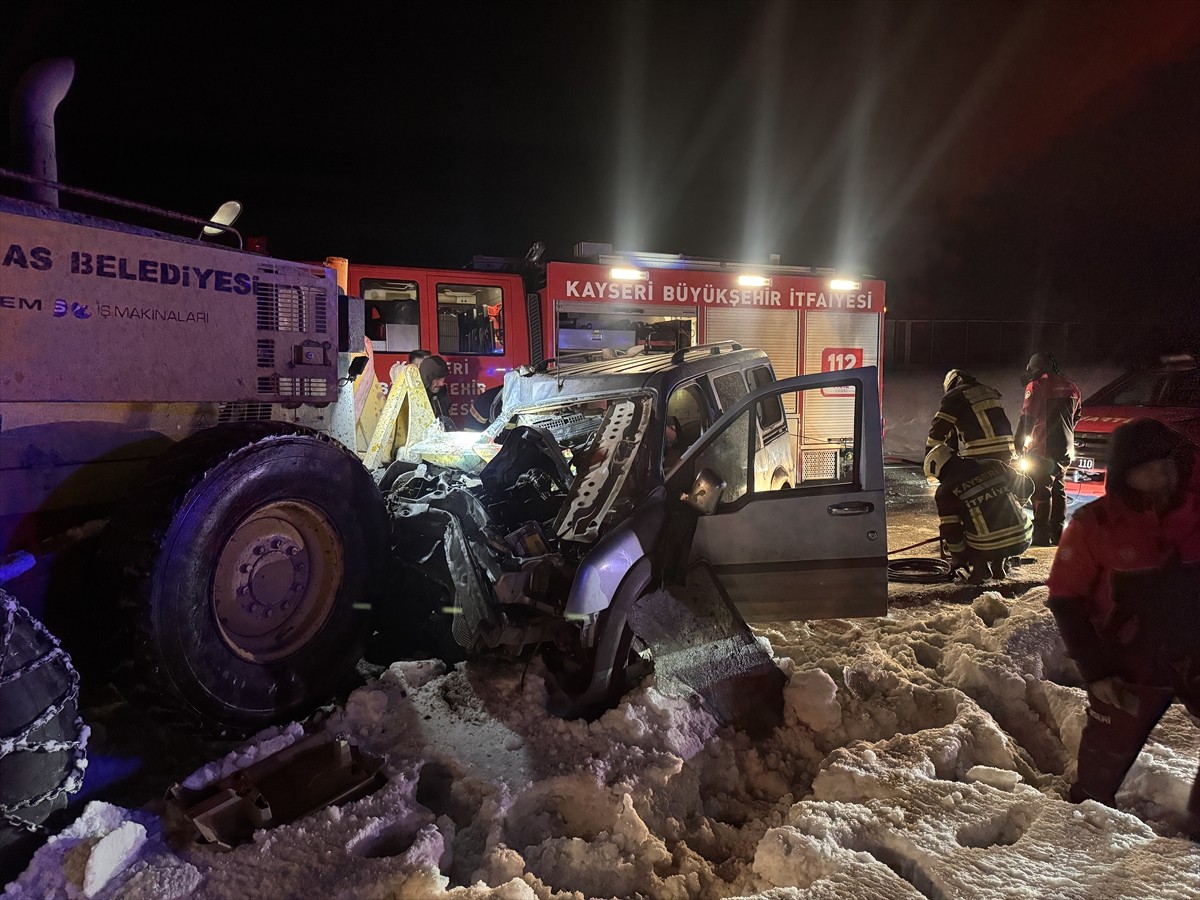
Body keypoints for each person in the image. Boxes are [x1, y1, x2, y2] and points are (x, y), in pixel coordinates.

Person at [1046, 418, 1200, 839]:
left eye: (1166, 462)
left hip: (1194, 653)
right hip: (1130, 663)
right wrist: (1097, 673)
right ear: (1124, 473)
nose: (1160, 474)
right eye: (1146, 466)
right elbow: (1065, 598)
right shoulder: (1094, 526)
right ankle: (1084, 830)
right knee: (1104, 761)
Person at [925, 442, 1034, 584]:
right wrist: (1019, 504)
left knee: (971, 532)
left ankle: (980, 568)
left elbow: (951, 530)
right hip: (1023, 538)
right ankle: (999, 563)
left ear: (939, 470)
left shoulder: (945, 491)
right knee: (995, 523)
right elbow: (1028, 486)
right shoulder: (993, 465)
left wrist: (959, 557)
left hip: (988, 547)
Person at [1015, 352, 1082, 546]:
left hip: (1043, 447)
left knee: (1041, 489)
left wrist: (1018, 443)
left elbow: (1027, 417)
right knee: (1059, 488)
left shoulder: (1037, 384)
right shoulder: (1072, 386)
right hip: (1065, 448)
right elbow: (1076, 416)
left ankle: (1041, 536)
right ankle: (1058, 533)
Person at [927, 369, 1016, 463]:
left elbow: (939, 429)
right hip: (1008, 450)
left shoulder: (955, 395)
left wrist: (929, 457)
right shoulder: (988, 391)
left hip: (981, 452)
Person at [418, 354, 454, 429]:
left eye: (443, 379)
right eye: (437, 379)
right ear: (426, 378)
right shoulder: (413, 399)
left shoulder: (442, 394)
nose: (441, 383)